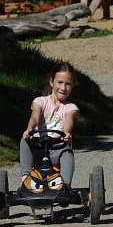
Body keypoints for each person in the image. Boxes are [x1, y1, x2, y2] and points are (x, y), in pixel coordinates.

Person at [19, 62, 79, 192]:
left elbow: (69, 119)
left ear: (72, 86)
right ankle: (25, 178)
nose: (63, 88)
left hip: (57, 149)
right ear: (51, 82)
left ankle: (64, 186)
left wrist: (66, 133)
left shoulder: (71, 108)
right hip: (38, 149)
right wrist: (29, 129)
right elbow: (35, 116)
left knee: (67, 153)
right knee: (24, 141)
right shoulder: (40, 101)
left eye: (68, 84)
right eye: (60, 82)